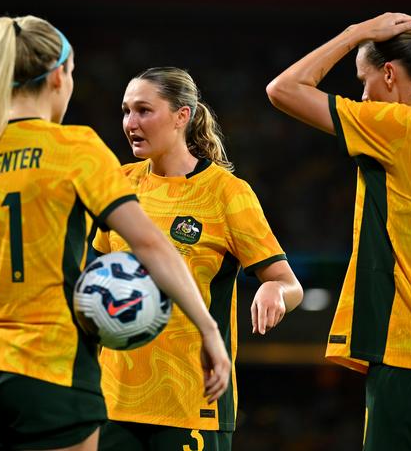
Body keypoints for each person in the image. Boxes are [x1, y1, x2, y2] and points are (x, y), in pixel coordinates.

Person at [0, 16, 230, 451]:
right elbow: (150, 244)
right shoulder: (75, 151)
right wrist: (208, 330)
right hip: (51, 375)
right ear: (59, 75)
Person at [265, 12, 411, 450]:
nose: (363, 95)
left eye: (363, 79)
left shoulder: (397, 126)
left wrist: (356, 34)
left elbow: (283, 90)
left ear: (389, 73)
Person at [93, 67, 303, 451]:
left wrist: (275, 289)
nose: (130, 123)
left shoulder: (227, 193)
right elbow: (92, 283)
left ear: (182, 116)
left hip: (193, 402)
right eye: (126, 111)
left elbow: (290, 284)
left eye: (143, 110)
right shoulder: (117, 183)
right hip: (112, 401)